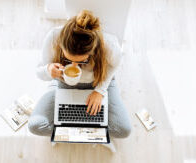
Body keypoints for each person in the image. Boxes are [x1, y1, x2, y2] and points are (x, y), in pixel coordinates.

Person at [28, 10, 131, 143]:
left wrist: (100, 91)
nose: (74, 65)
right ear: (61, 45)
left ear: (92, 51)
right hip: (64, 84)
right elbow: (39, 71)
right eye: (68, 59)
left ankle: (72, 130)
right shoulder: (53, 37)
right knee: (36, 125)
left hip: (99, 82)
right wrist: (48, 70)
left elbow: (115, 65)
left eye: (82, 61)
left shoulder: (109, 44)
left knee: (123, 130)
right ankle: (87, 132)